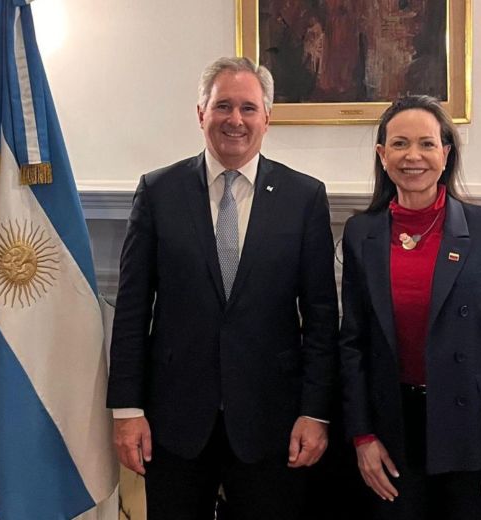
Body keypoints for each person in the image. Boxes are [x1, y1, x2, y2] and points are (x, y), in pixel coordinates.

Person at [106, 56, 338, 520]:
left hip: (271, 421)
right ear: (201, 113)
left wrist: (316, 412)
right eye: (223, 106)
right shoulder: (158, 191)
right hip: (174, 421)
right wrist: (126, 409)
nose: (236, 120)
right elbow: (132, 309)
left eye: (249, 108)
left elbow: (320, 317)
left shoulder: (304, 197)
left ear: (267, 118)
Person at [338, 95, 481, 519]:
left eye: (426, 144)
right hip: (392, 433)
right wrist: (362, 436)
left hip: (474, 434)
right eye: (400, 144)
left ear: (445, 154)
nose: (413, 156)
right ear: (382, 155)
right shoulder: (360, 234)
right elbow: (352, 343)